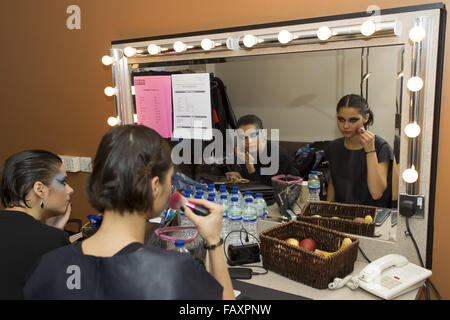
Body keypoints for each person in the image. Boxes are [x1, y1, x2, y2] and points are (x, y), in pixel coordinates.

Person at [23, 125, 235, 300]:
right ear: (154, 186)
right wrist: (213, 241)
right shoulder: (173, 274)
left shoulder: (48, 267)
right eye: (170, 178)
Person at [0, 150, 73, 299]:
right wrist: (56, 235)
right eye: (63, 182)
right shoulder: (53, 241)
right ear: (40, 189)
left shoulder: (51, 238)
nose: (70, 189)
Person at [325, 94, 397, 208]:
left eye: (353, 120)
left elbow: (376, 193)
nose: (346, 125)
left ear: (366, 118)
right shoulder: (334, 147)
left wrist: (370, 151)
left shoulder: (381, 147)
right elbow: (333, 186)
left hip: (372, 218)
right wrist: (327, 212)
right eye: (341, 119)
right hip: (340, 216)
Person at [225, 114, 299, 186]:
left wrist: (250, 168)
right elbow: (255, 176)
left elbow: (266, 188)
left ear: (263, 133)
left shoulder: (279, 155)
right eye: (243, 137)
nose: (249, 141)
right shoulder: (247, 151)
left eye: (253, 135)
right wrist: (240, 175)